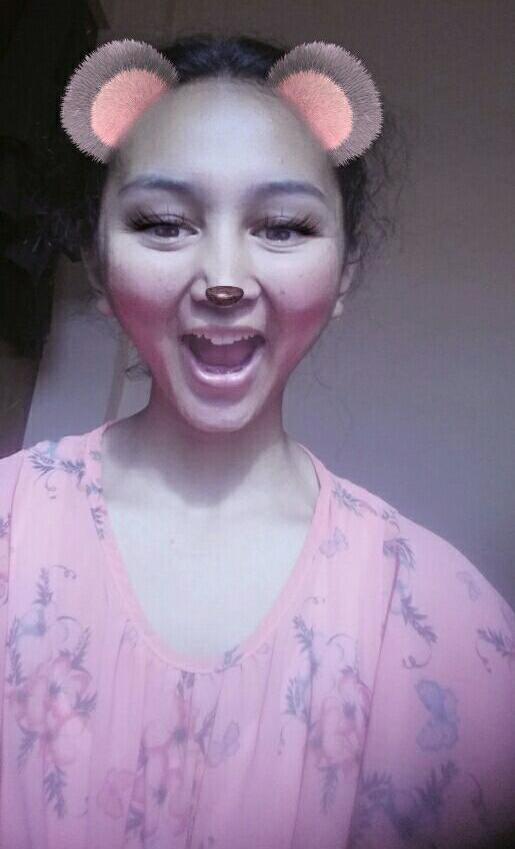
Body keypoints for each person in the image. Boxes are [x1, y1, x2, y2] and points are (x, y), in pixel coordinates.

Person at [0, 32, 513, 849]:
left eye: (280, 227)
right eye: (163, 223)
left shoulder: (440, 622)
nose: (224, 277)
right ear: (97, 266)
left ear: (343, 273)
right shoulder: (10, 529)